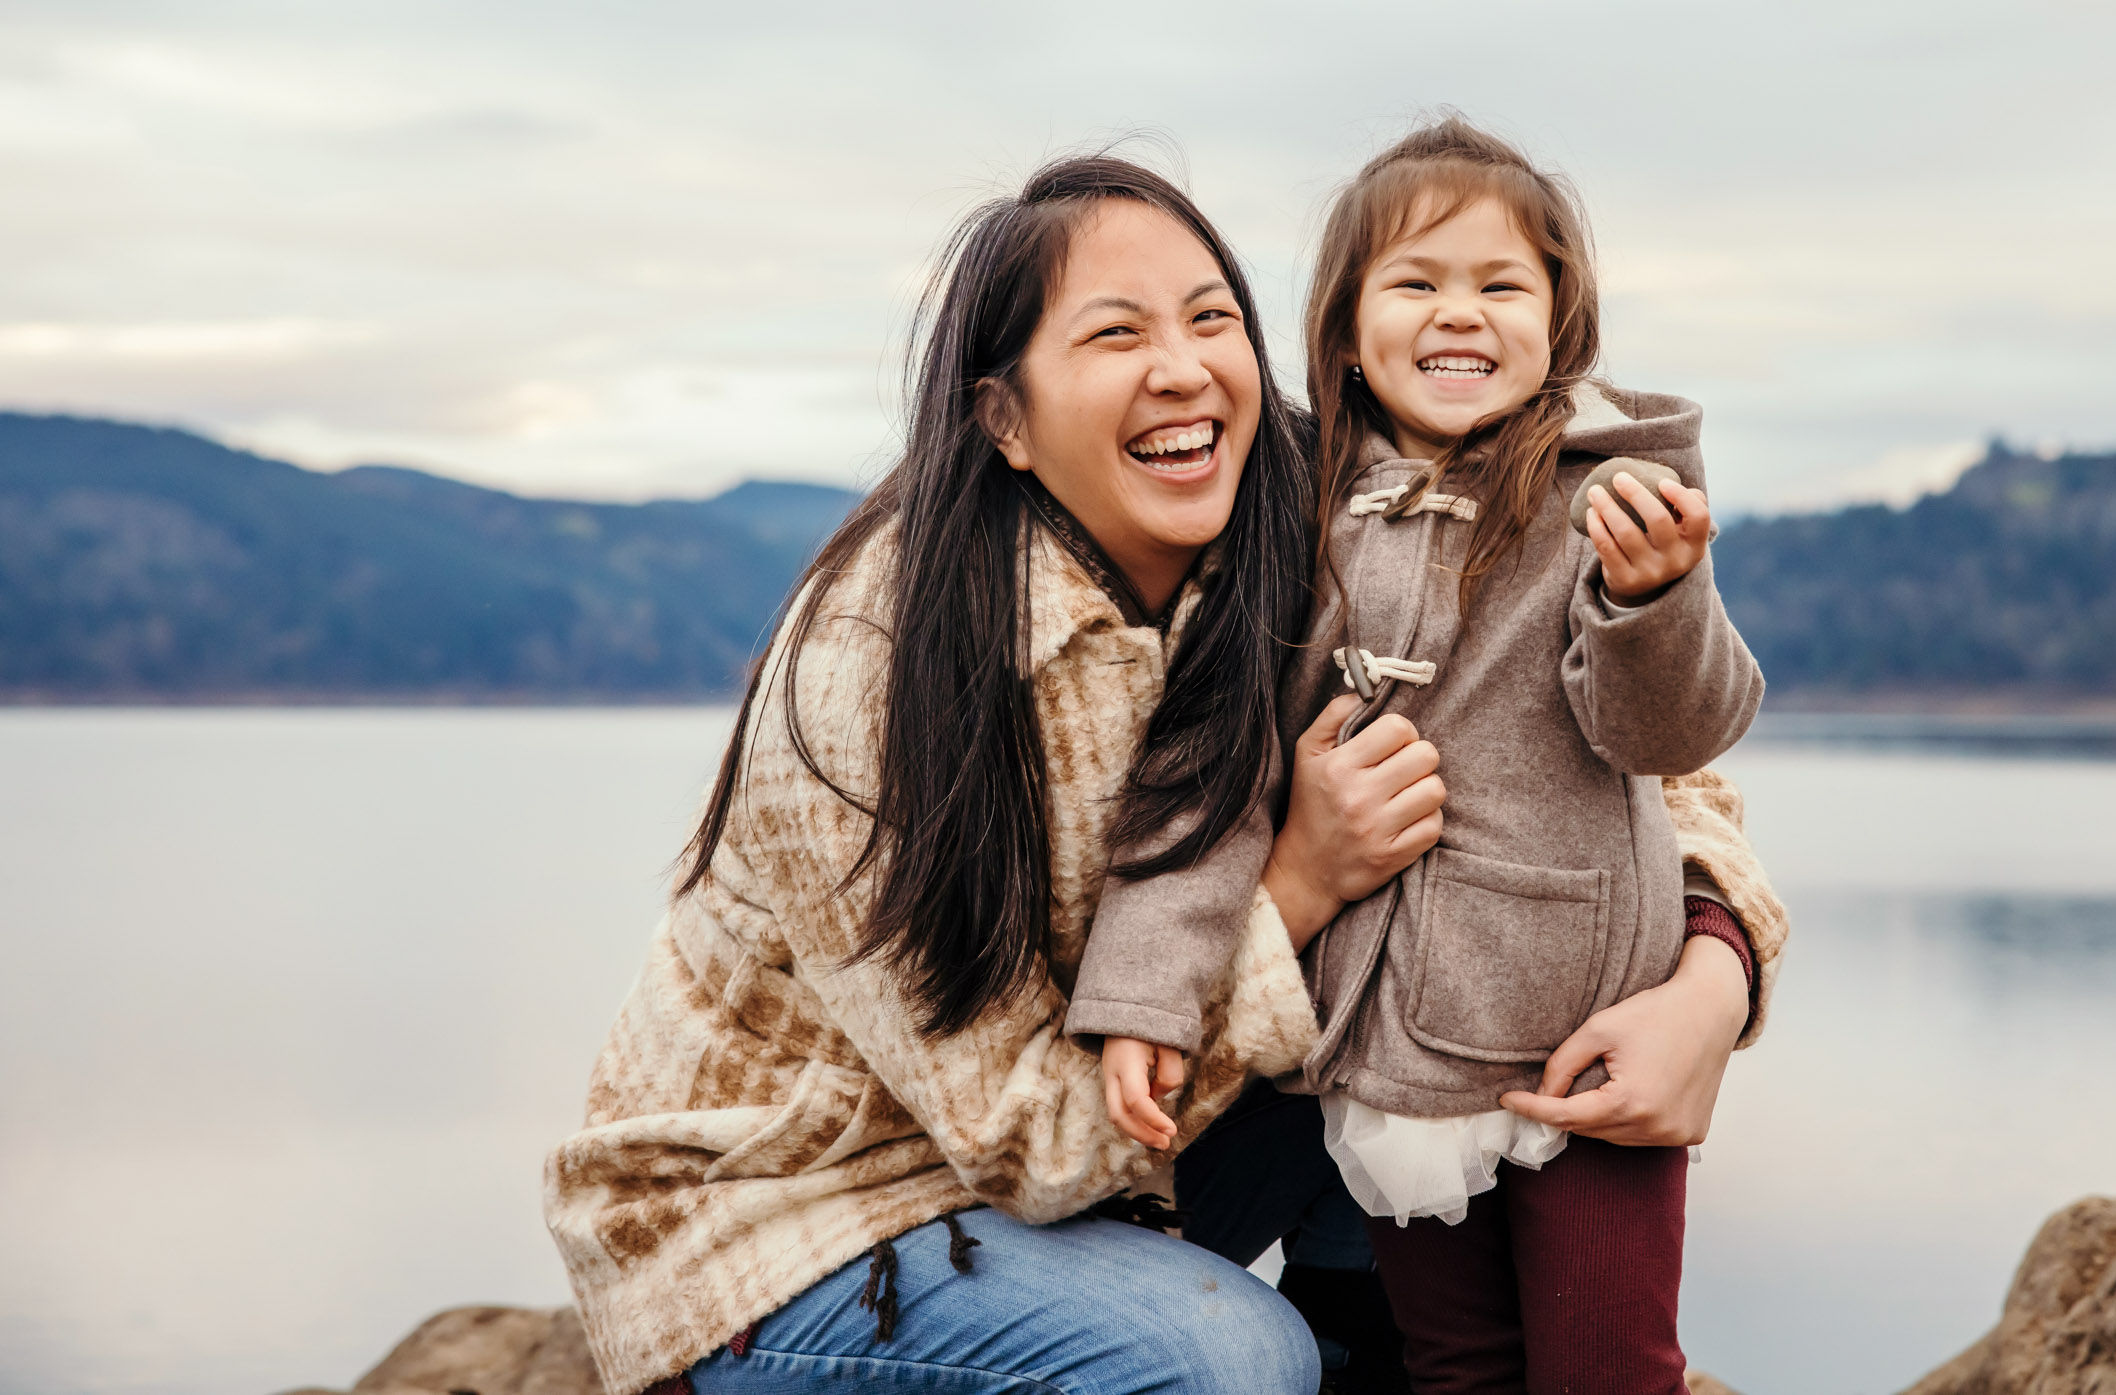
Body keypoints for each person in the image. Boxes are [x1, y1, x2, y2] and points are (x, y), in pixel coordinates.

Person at [542, 155, 1455, 1395]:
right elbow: (1023, 1141)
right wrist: (1293, 894)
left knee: (1456, 1023)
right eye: (1115, 333)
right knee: (1227, 1358)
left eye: (1211, 317)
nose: (1183, 368)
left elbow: (1582, 737)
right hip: (804, 1218)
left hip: (1099, 1179)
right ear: (1004, 419)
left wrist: (1713, 969)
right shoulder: (879, 659)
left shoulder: (1302, 521)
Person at [1073, 117, 1771, 1394]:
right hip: (1391, 1039)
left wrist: (1655, 598)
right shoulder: (1289, 520)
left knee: (1609, 1364)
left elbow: (1669, 740)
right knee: (1450, 1362)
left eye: (1501, 283)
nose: (1461, 311)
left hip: (1583, 1021)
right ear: (1342, 327)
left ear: (1562, 320)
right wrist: (1143, 994)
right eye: (1416, 281)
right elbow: (1207, 779)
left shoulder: (1603, 491)